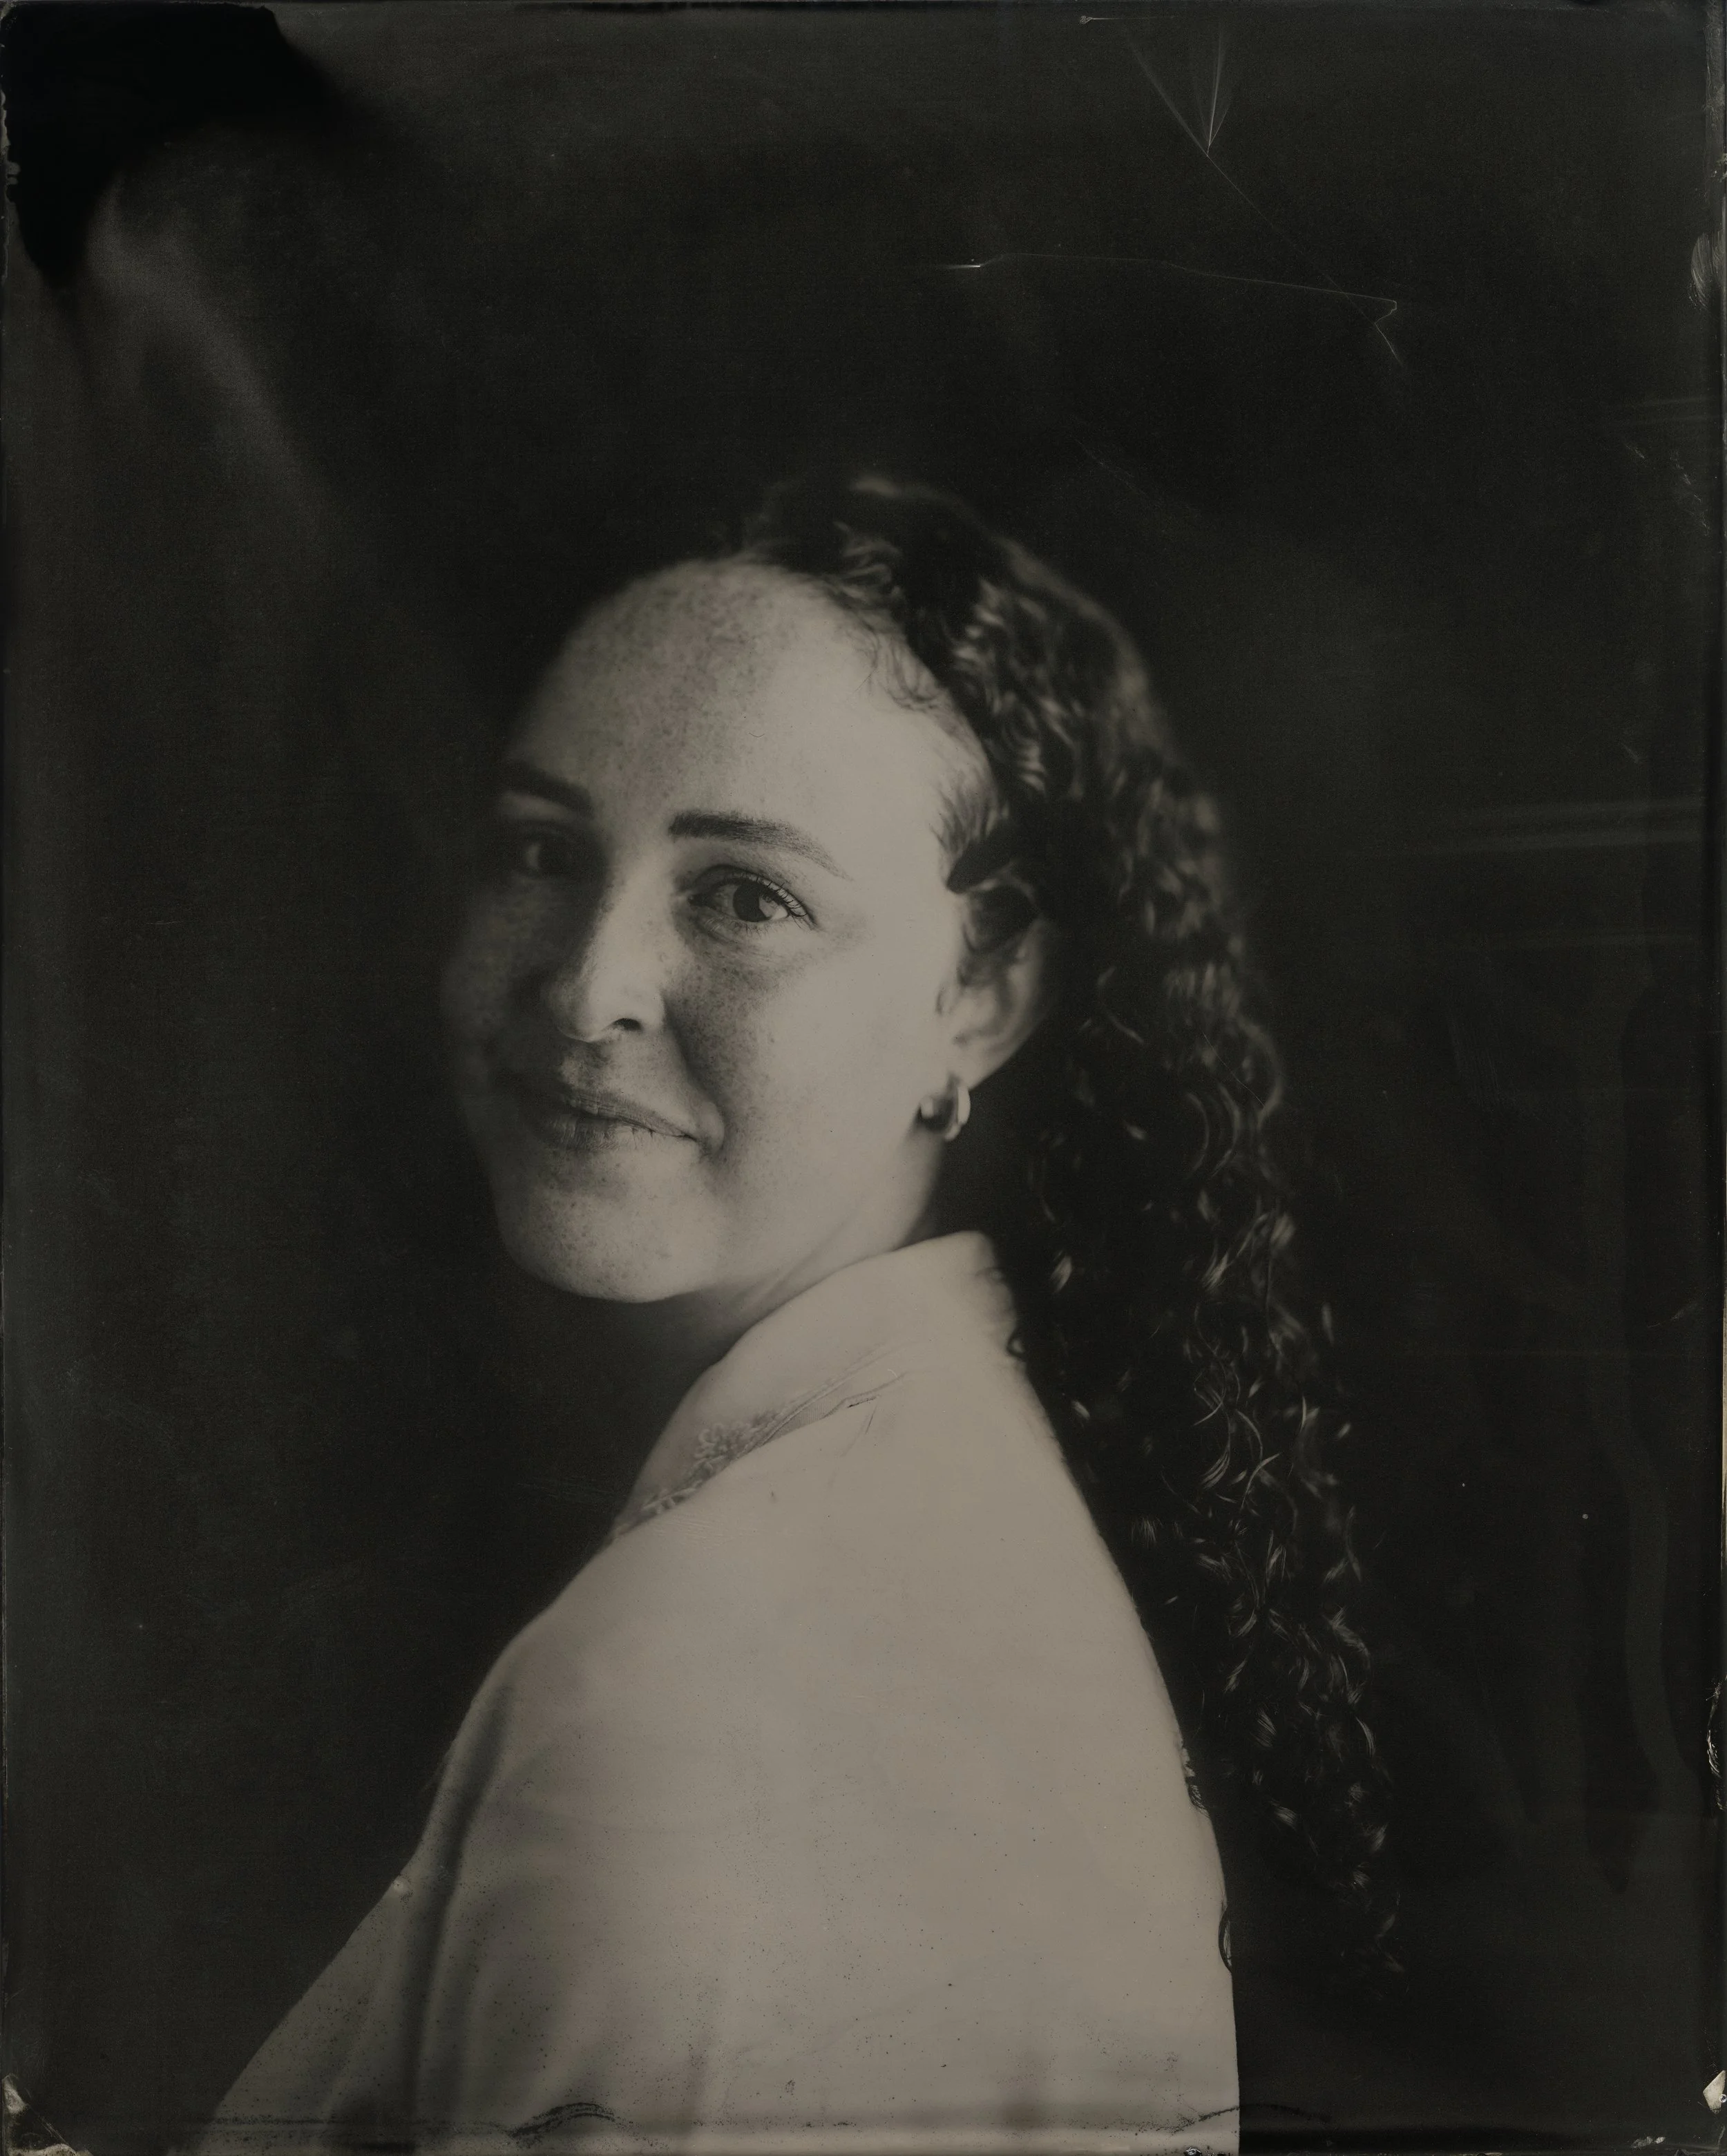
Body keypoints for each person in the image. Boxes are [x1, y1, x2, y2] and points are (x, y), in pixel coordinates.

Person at [210, 475, 1389, 2153]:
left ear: (978, 997)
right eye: (540, 852)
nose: (588, 986)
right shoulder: (939, 1490)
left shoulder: (683, 1695)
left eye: (745, 897)